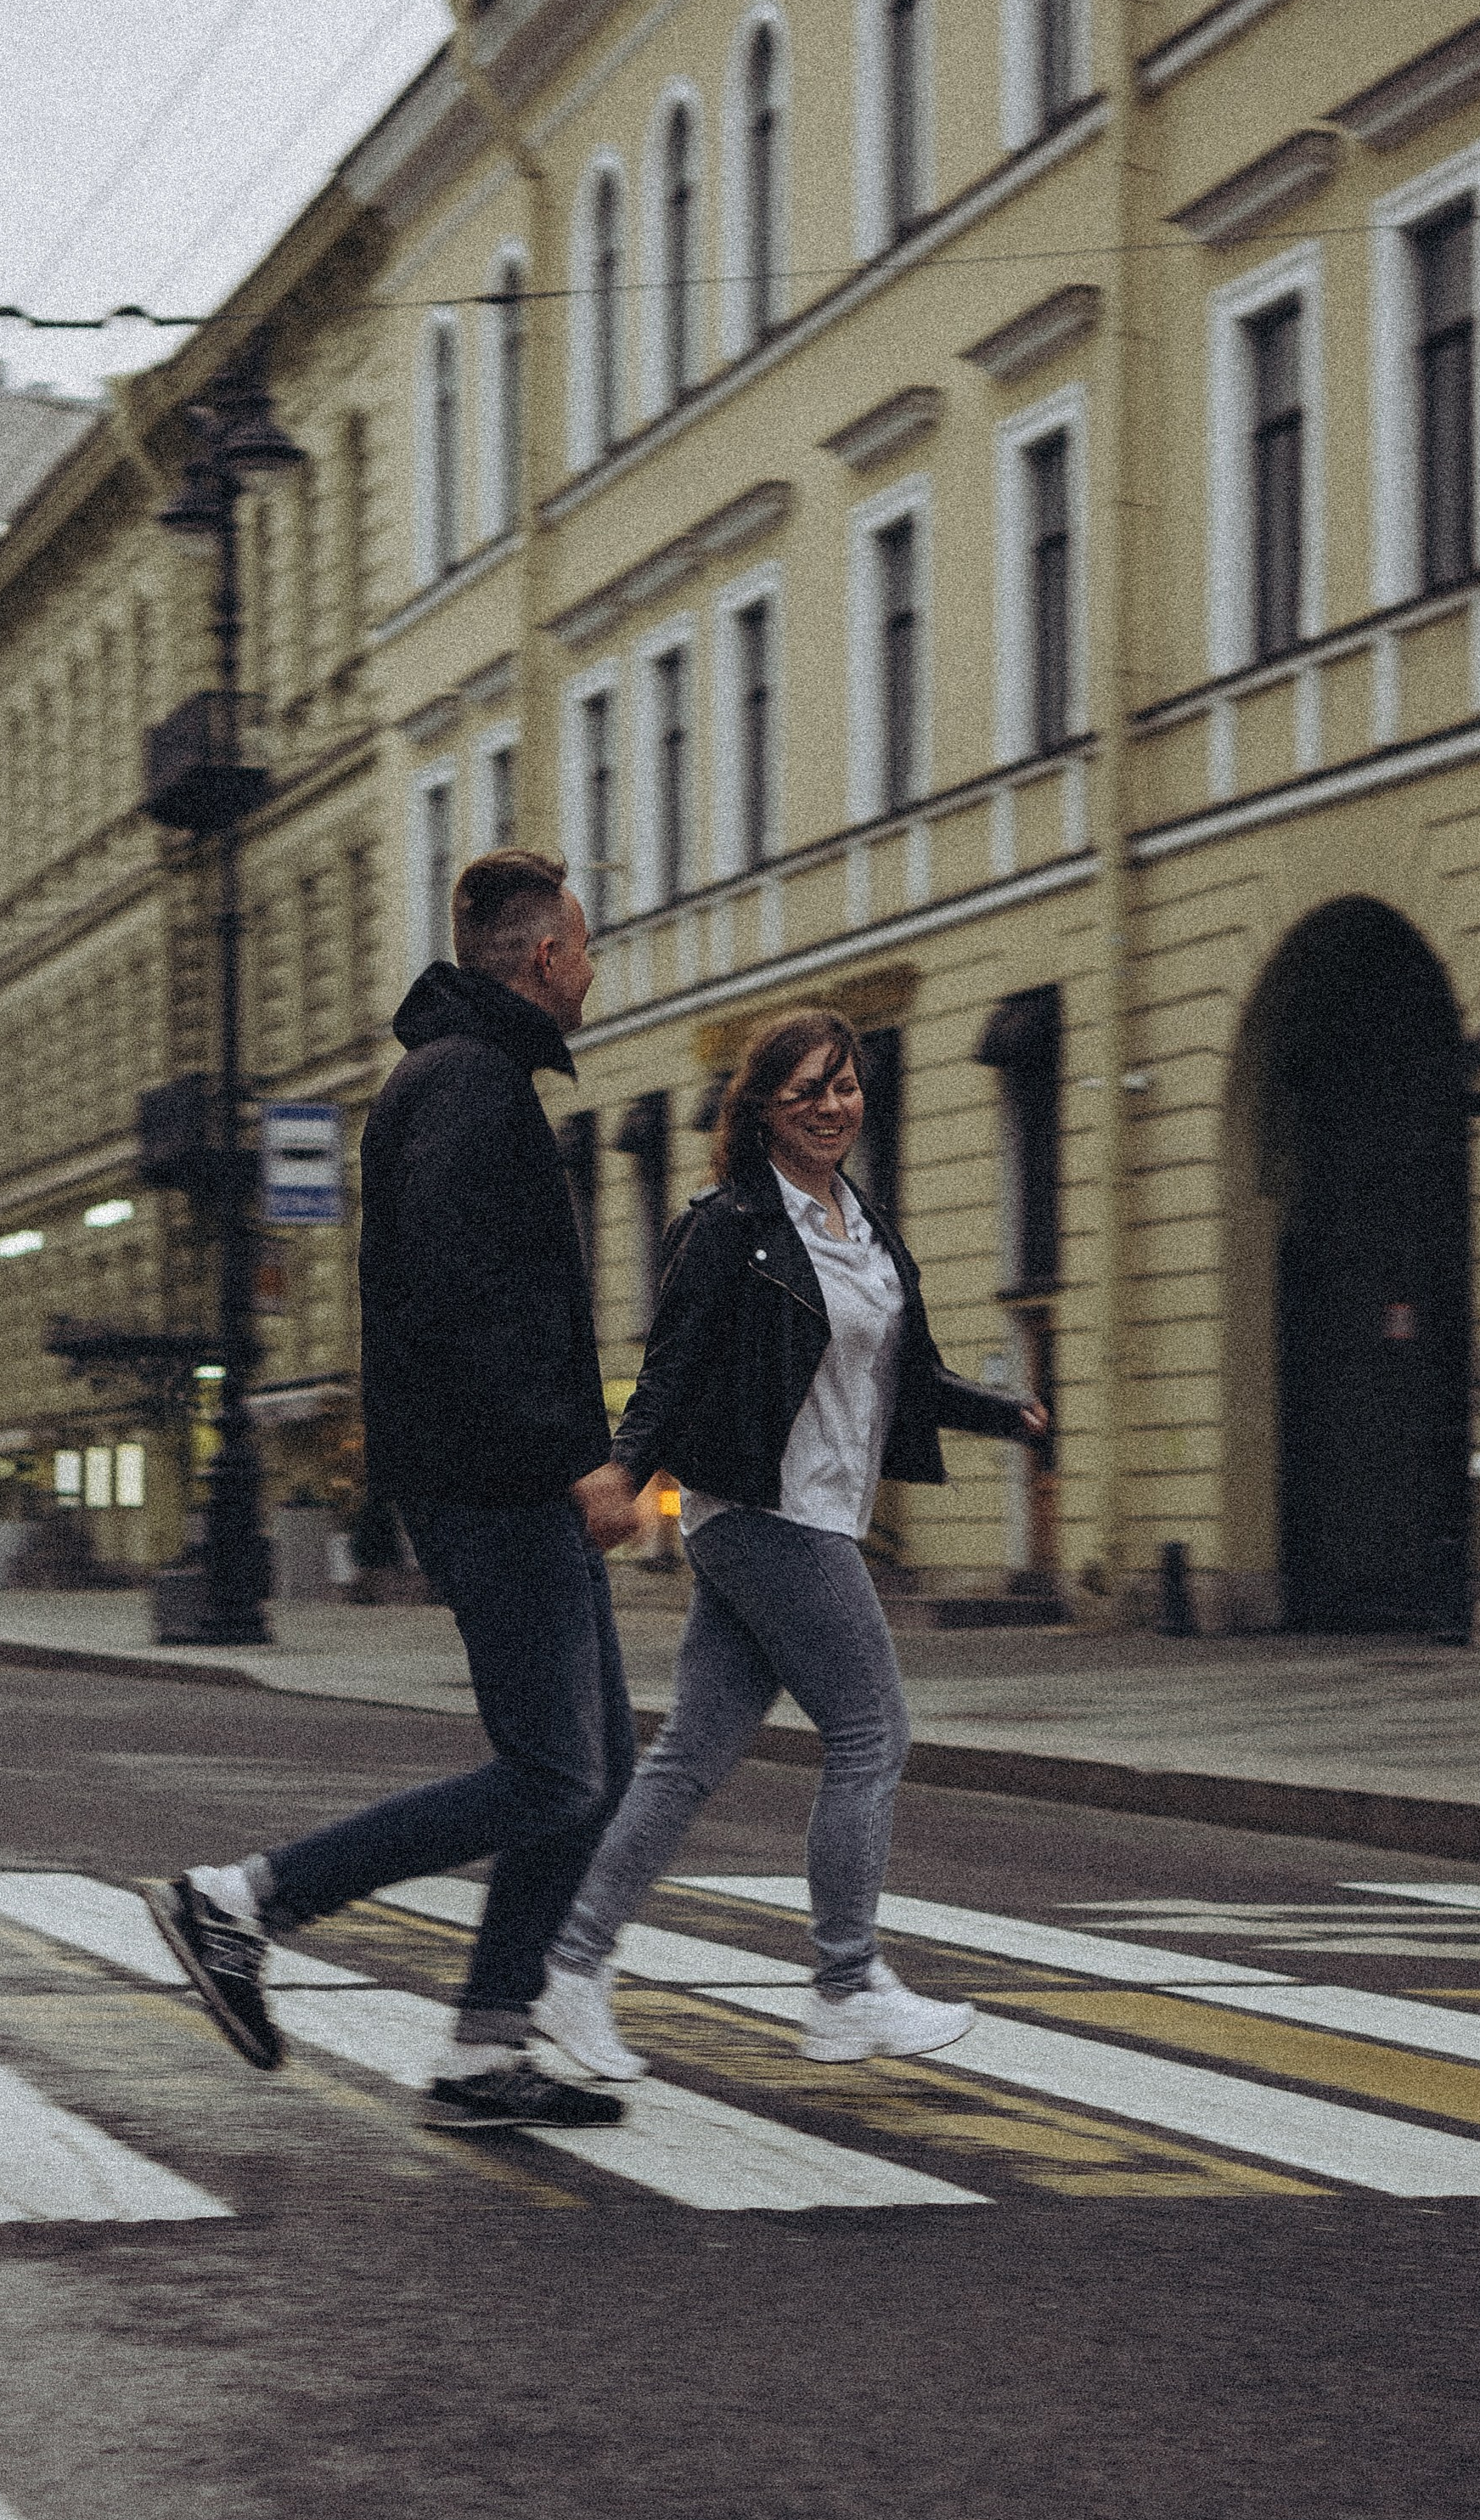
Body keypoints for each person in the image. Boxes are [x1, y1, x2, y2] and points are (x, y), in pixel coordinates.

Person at [146, 850, 640, 2132]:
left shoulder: (457, 1081)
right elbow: (472, 1302)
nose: (590, 967)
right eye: (582, 946)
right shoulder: (469, 1088)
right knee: (549, 1769)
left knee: (596, 1759)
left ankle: (486, 2047)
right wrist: (571, 1453)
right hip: (498, 1479)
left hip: (500, 1470)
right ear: (541, 960)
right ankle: (245, 1898)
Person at [545, 1008, 1049, 2077]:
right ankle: (844, 1984)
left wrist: (1009, 1414)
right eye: (807, 1090)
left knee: (689, 1756)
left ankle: (571, 1966)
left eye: (846, 1085)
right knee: (872, 1734)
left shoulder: (861, 1224)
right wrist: (624, 1473)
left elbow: (907, 1377)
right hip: (769, 1514)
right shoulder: (729, 1222)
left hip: (800, 1515)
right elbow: (671, 1365)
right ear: (762, 1107)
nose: (832, 1105)